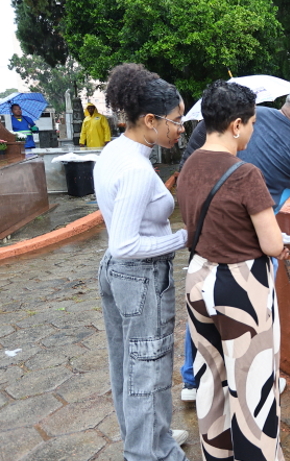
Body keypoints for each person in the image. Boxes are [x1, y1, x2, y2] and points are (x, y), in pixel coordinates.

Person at [177, 80, 290, 401]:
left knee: (204, 302)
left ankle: (194, 381)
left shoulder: (253, 114)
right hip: (249, 246)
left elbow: (200, 140)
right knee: (255, 317)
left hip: (208, 234)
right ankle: (258, 385)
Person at [177, 80, 288, 461]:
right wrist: (283, 245)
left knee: (211, 376)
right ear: (237, 125)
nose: (254, 131)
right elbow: (272, 244)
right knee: (253, 383)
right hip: (240, 287)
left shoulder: (189, 165)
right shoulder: (245, 174)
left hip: (198, 278)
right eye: (253, 123)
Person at [93, 63, 191, 461]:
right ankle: (152, 453)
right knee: (147, 371)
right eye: (177, 120)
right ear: (150, 120)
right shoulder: (135, 169)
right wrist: (184, 237)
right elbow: (126, 244)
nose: (181, 128)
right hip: (140, 276)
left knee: (126, 365)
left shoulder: (116, 151)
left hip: (119, 277)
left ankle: (153, 438)